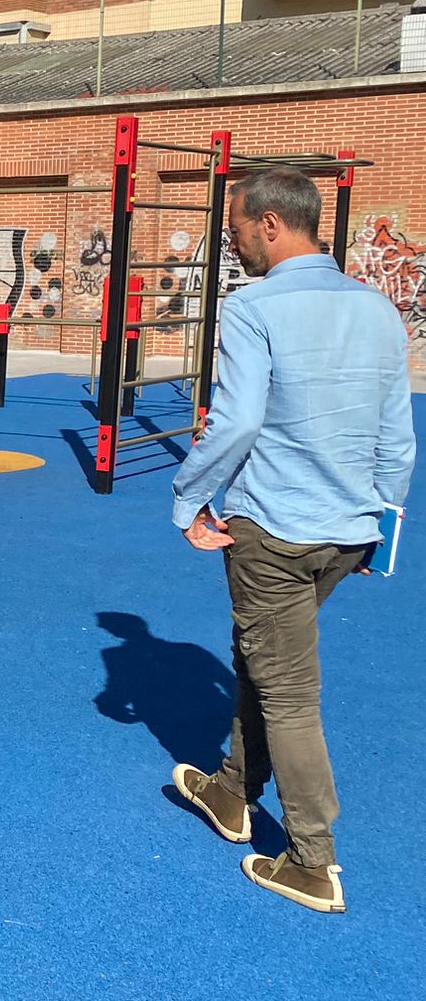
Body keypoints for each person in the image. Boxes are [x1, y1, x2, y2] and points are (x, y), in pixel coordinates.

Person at [168, 166, 413, 914]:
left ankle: (313, 860)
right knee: (261, 657)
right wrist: (380, 528)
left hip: (275, 528)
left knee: (289, 693)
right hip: (347, 529)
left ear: (270, 224)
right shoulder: (376, 307)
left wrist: (188, 497)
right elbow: (397, 434)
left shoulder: (255, 306)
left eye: (237, 228)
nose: (234, 241)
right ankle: (234, 790)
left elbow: (238, 420)